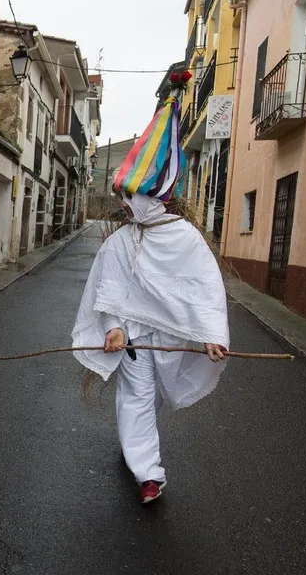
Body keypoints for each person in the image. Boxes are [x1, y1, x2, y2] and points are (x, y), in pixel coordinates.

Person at [71, 71, 230, 505]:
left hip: (173, 339)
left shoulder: (186, 239)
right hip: (136, 340)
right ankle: (149, 474)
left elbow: (204, 288)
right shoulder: (121, 242)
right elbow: (110, 287)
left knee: (154, 397)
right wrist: (114, 327)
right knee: (137, 396)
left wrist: (211, 334)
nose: (124, 205)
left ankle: (135, 447)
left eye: (131, 197)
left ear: (151, 196)